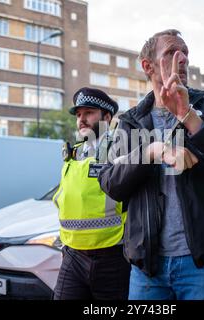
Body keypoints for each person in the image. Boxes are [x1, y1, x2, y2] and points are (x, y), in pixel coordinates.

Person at [98, 29, 204, 300]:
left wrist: (188, 116)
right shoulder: (131, 120)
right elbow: (111, 184)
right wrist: (152, 151)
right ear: (148, 66)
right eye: (171, 52)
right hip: (148, 270)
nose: (183, 59)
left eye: (185, 53)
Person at [52, 87, 130, 300]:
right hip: (73, 255)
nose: (82, 120)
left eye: (89, 113)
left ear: (106, 117)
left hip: (112, 255)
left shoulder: (120, 147)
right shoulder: (74, 152)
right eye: (78, 115)